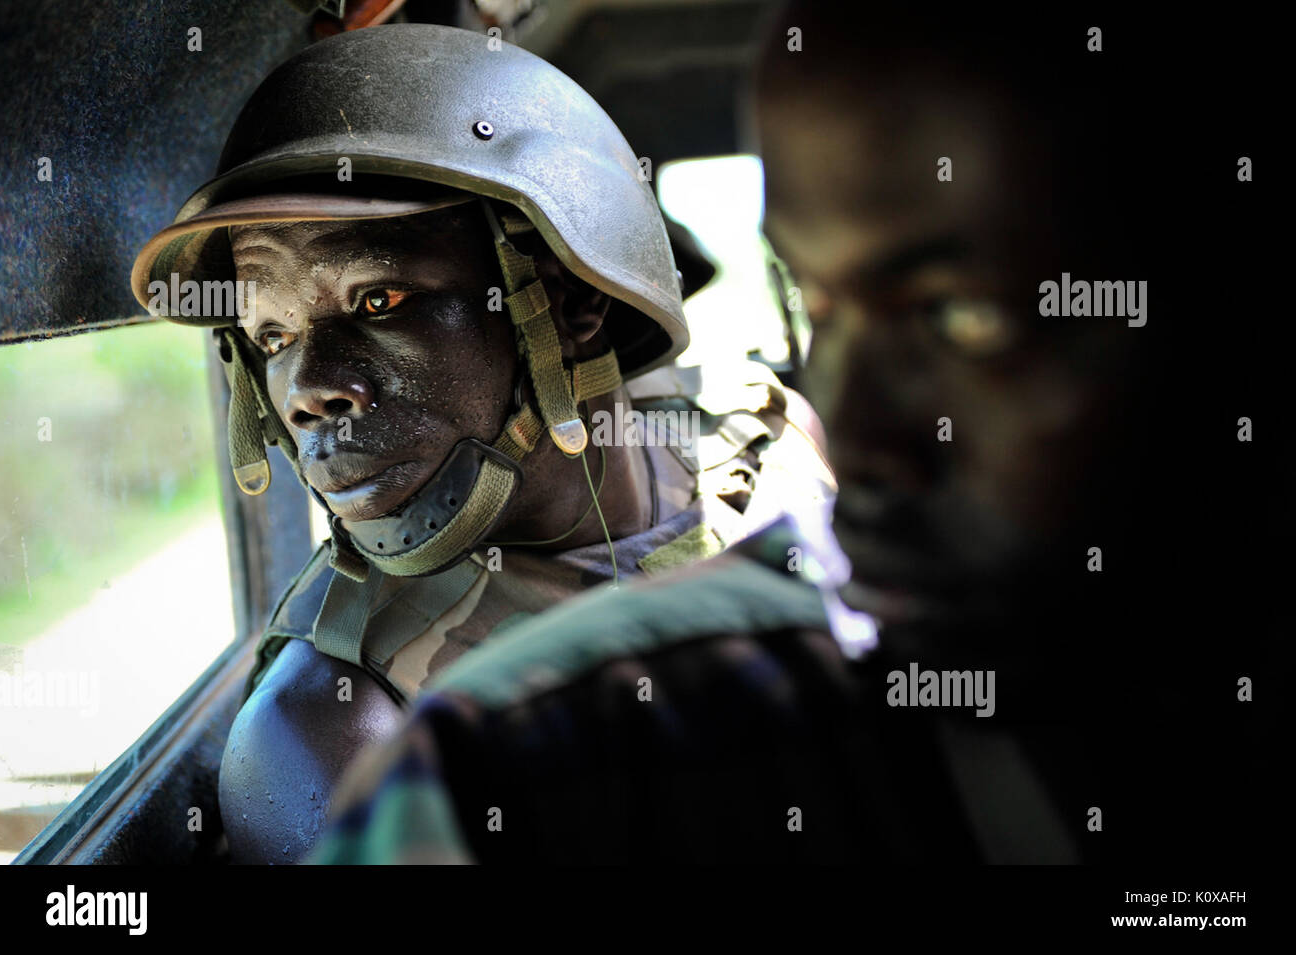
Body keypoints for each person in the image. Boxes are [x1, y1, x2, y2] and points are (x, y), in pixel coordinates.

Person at [310, 8, 1280, 864]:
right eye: (814, 302)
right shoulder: (513, 783)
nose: (852, 432)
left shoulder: (740, 445)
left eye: (963, 319)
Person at [129, 23, 829, 863]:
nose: (310, 388)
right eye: (272, 337)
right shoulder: (332, 725)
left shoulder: (760, 429)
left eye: (379, 300)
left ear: (571, 305)